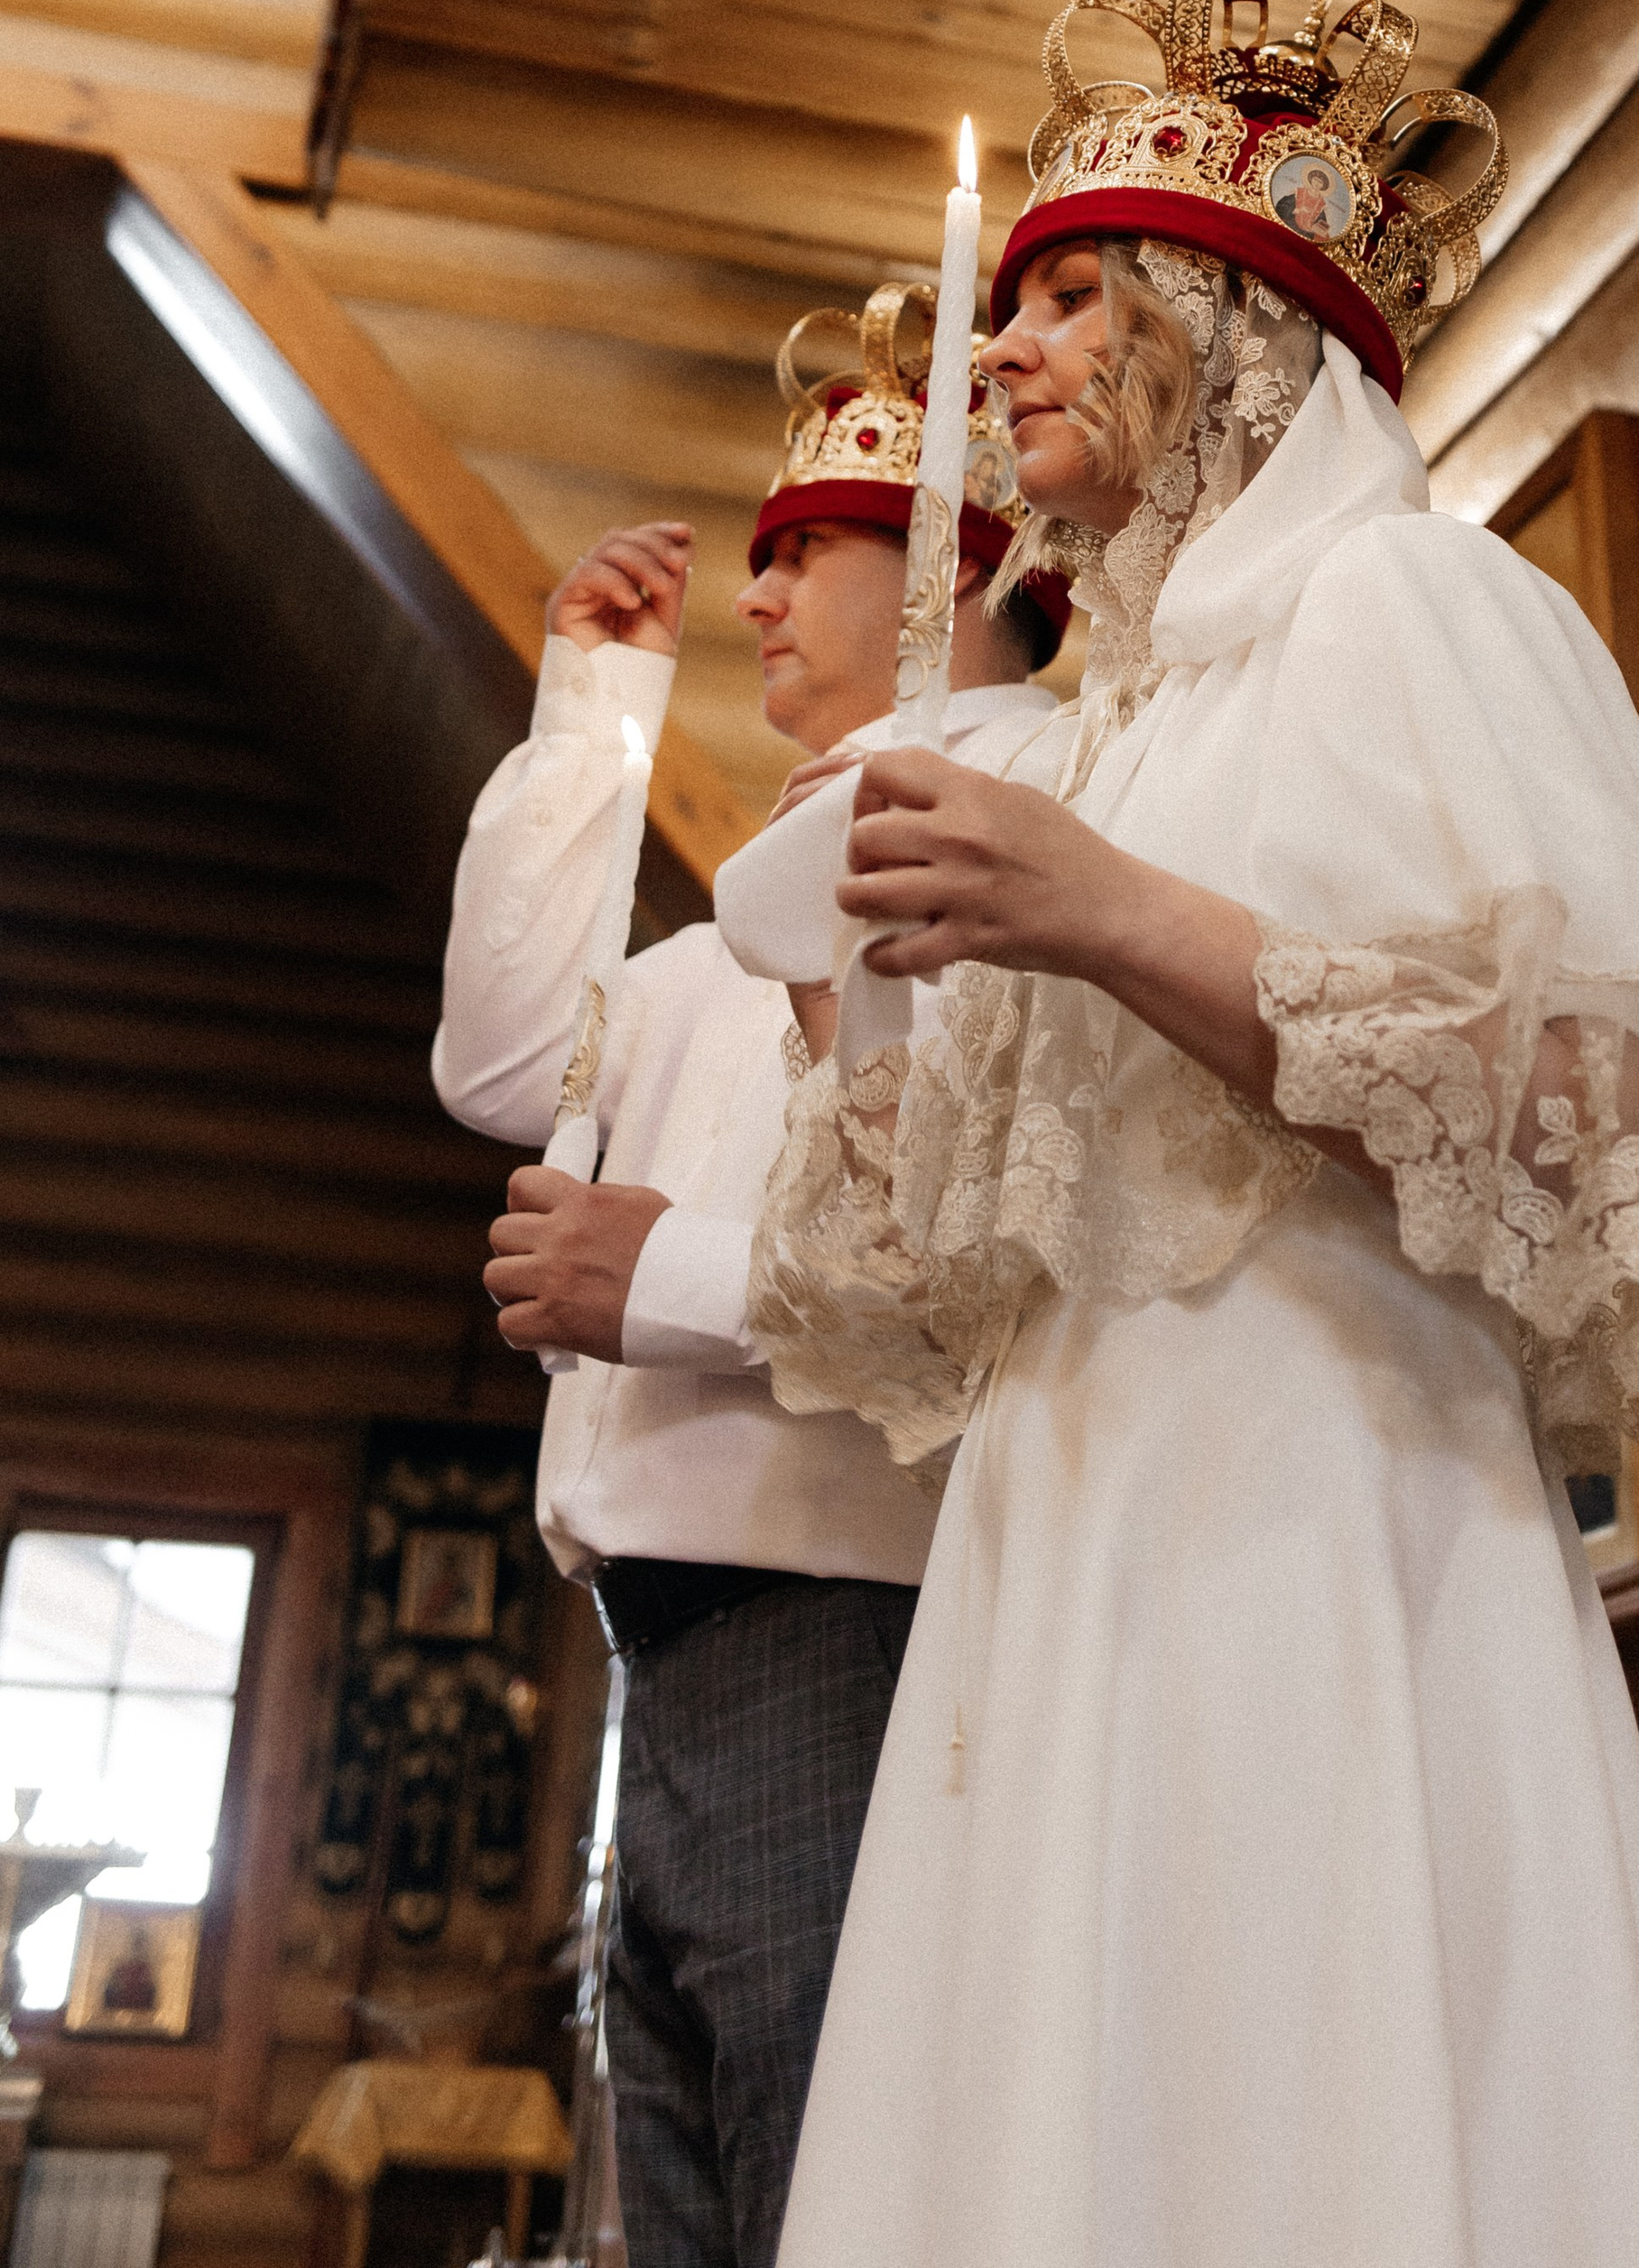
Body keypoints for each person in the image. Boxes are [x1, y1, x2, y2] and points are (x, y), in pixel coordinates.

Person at [731, 0, 1639, 2268]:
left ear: (1220, 327)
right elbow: (933, 1288)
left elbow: (1604, 1134)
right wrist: (856, 1040)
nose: (1002, 351)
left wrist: (1111, 914)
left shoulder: (1414, 608)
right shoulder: (1087, 730)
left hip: (1314, 1519)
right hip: (1065, 1552)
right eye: (1012, 301)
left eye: (1068, 296)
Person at [433, 290, 1066, 2267]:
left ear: (958, 564)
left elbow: (999, 1234)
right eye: (762, 546)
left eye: (814, 544)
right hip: (667, 1641)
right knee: (691, 2214)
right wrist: (592, 717)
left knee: (827, 2206)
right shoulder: (734, 923)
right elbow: (506, 1061)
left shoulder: (1010, 829)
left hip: (847, 1614)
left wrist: (666, 1275)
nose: (761, 584)